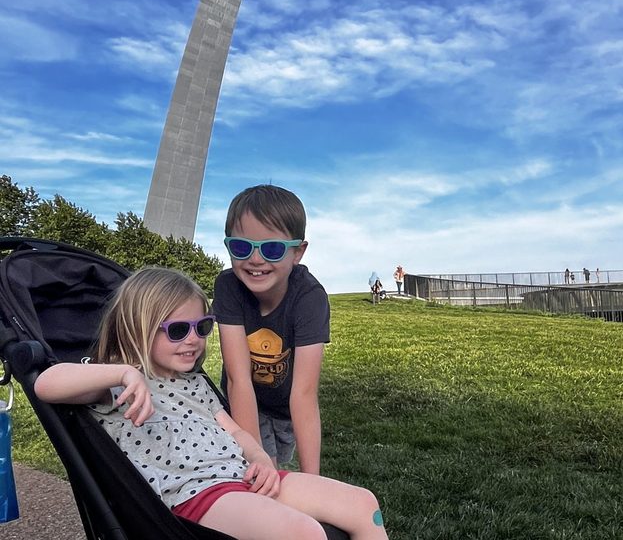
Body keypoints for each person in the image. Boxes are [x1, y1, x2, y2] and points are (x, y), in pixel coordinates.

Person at [34, 267, 388, 540]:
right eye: (176, 330)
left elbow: (237, 432)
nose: (193, 340)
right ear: (136, 329)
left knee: (363, 504)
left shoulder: (196, 384)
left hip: (244, 477)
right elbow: (46, 384)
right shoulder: (113, 383)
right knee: (305, 533)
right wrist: (124, 374)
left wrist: (261, 457)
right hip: (194, 497)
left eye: (201, 327)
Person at [213, 185, 329, 476]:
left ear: (297, 252)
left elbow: (303, 393)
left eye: (272, 248)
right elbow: (238, 380)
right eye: (241, 247)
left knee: (289, 474)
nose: (255, 259)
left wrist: (312, 481)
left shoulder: (309, 297)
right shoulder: (228, 287)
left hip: (287, 407)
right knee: (264, 477)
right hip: (245, 399)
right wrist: (257, 459)